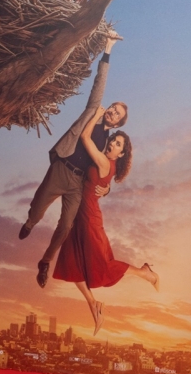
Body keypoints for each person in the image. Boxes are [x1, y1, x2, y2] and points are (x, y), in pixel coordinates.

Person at [20, 38, 128, 288]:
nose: (111, 111)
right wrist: (108, 50)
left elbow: (110, 168)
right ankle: (30, 221)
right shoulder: (93, 111)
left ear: (119, 123)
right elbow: (98, 85)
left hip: (77, 182)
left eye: (117, 113)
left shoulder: (110, 144)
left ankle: (45, 261)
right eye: (112, 107)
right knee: (38, 207)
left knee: (66, 225)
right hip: (61, 169)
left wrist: (108, 188)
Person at [52, 105, 158, 335]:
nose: (112, 144)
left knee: (102, 266)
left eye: (118, 144)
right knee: (72, 264)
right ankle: (93, 305)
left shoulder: (103, 162)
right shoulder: (104, 160)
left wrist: (96, 115)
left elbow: (84, 136)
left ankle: (144, 273)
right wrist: (106, 189)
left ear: (121, 154)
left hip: (89, 218)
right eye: (114, 141)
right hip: (78, 215)